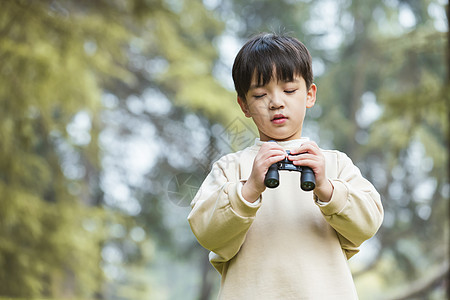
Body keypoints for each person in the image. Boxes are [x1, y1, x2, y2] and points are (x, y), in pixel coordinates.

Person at [187, 32, 384, 299]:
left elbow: (368, 223)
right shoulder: (230, 168)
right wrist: (249, 190)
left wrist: (326, 188)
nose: (276, 102)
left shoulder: (334, 164)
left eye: (289, 90)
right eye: (259, 94)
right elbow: (208, 232)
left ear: (310, 95)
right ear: (243, 105)